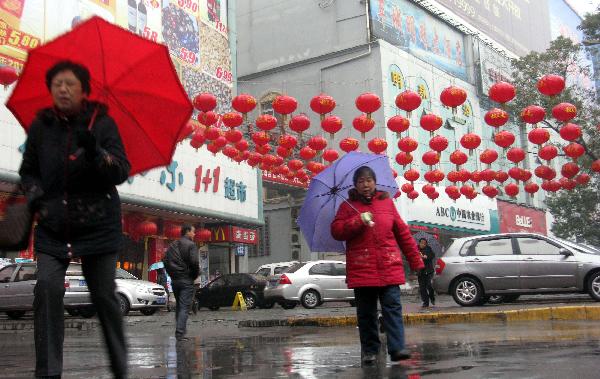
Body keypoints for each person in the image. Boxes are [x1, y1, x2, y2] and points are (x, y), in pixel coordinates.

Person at [19, 60, 130, 378]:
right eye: (56, 84)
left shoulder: (103, 124)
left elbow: (120, 170)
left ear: (84, 90)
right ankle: (49, 371)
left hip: (98, 223)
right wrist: (35, 193)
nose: (63, 89)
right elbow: (28, 170)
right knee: (47, 288)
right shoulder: (41, 127)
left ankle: (120, 368)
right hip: (55, 223)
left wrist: (96, 151)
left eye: (69, 83)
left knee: (104, 296)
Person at [331, 166, 424, 366]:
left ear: (375, 182)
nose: (366, 185)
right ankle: (370, 351)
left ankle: (397, 348)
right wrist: (358, 220)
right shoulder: (348, 206)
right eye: (361, 181)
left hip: (388, 265)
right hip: (362, 268)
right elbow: (337, 231)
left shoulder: (387, 203)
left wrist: (416, 260)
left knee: (392, 308)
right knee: (366, 314)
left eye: (369, 180)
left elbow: (403, 234)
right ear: (355, 185)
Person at [163, 224, 199, 341]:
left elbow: (165, 261)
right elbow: (194, 263)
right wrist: (193, 276)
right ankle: (179, 333)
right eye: (193, 232)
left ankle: (180, 331)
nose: (194, 234)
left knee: (179, 306)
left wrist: (172, 274)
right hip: (186, 280)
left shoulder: (172, 245)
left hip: (175, 280)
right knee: (184, 307)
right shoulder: (191, 245)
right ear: (187, 231)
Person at [417, 238, 436, 308]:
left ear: (426, 244)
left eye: (424, 243)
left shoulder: (428, 249)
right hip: (420, 272)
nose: (422, 244)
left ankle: (432, 298)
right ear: (419, 243)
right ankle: (426, 302)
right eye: (421, 243)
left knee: (429, 286)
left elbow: (432, 256)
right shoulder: (416, 249)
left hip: (428, 271)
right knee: (422, 288)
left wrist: (426, 257)